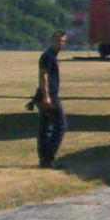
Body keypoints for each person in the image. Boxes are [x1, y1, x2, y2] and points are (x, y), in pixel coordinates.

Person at [34, 30, 68, 167]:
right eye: (58, 41)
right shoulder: (48, 56)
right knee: (60, 126)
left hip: (44, 95)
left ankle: (44, 160)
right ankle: (49, 158)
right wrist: (47, 96)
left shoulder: (52, 56)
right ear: (52, 40)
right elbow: (43, 76)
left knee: (45, 128)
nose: (61, 44)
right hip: (48, 96)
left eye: (63, 42)